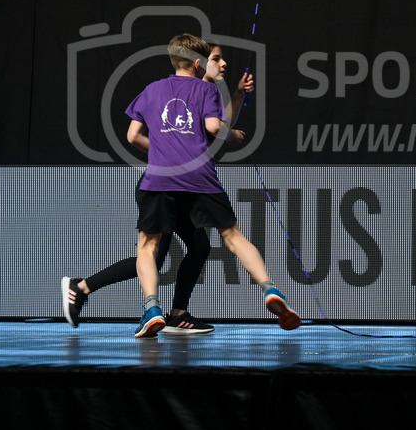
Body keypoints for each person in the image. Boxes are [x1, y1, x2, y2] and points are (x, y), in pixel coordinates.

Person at [61, 42, 253, 335]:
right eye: (216, 58)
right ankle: (89, 289)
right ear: (200, 64)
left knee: (189, 248)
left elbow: (217, 124)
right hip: (168, 185)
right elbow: (220, 129)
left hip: (180, 185)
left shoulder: (198, 92)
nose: (224, 63)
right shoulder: (198, 90)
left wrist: (237, 94)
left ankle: (173, 312)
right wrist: (166, 155)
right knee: (155, 253)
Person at [125, 32, 299, 337]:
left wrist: (163, 152)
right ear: (196, 64)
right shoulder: (205, 91)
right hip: (199, 177)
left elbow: (132, 136)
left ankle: (152, 308)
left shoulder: (151, 90)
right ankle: (271, 290)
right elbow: (213, 127)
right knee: (233, 237)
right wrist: (233, 136)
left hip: (159, 178)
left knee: (147, 245)